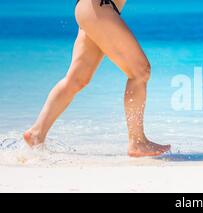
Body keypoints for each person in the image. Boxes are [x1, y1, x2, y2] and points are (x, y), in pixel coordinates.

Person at [23, 0, 171, 157]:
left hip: (94, 10)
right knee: (140, 71)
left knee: (77, 79)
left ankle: (36, 134)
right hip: (99, 7)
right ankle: (137, 142)